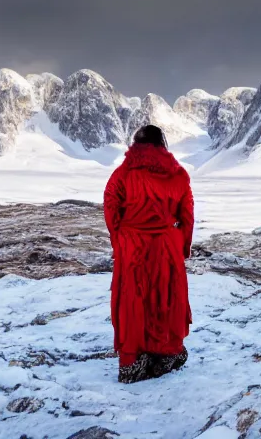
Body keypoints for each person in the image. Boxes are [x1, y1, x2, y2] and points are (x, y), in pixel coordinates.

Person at [103, 125, 194, 384]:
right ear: (163, 144)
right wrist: (182, 246)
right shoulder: (178, 175)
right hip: (166, 247)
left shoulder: (121, 174)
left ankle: (132, 363)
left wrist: (120, 239)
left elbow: (111, 208)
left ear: (136, 145)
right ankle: (164, 355)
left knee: (133, 301)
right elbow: (186, 216)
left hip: (132, 246)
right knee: (166, 299)